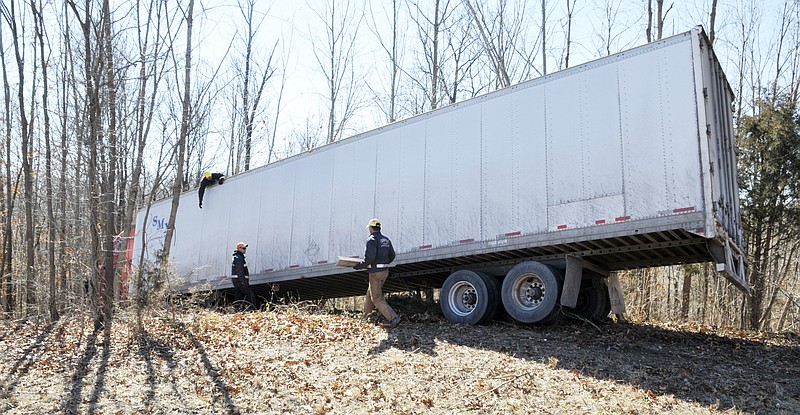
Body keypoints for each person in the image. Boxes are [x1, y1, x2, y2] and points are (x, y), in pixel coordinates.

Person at [354, 218, 400, 328]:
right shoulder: (386, 240)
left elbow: (369, 257)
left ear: (371, 228)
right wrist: (383, 262)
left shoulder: (371, 240)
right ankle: (366, 319)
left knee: (377, 298)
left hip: (375, 273)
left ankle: (393, 318)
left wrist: (359, 266)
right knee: (370, 293)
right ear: (379, 228)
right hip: (384, 271)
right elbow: (392, 256)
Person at [231, 242, 256, 311]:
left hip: (237, 281)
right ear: (239, 249)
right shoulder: (239, 258)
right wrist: (244, 282)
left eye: (245, 248)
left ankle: (237, 310)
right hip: (240, 281)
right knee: (250, 296)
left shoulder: (238, 257)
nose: (245, 250)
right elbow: (240, 271)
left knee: (239, 296)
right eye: (243, 248)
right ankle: (252, 310)